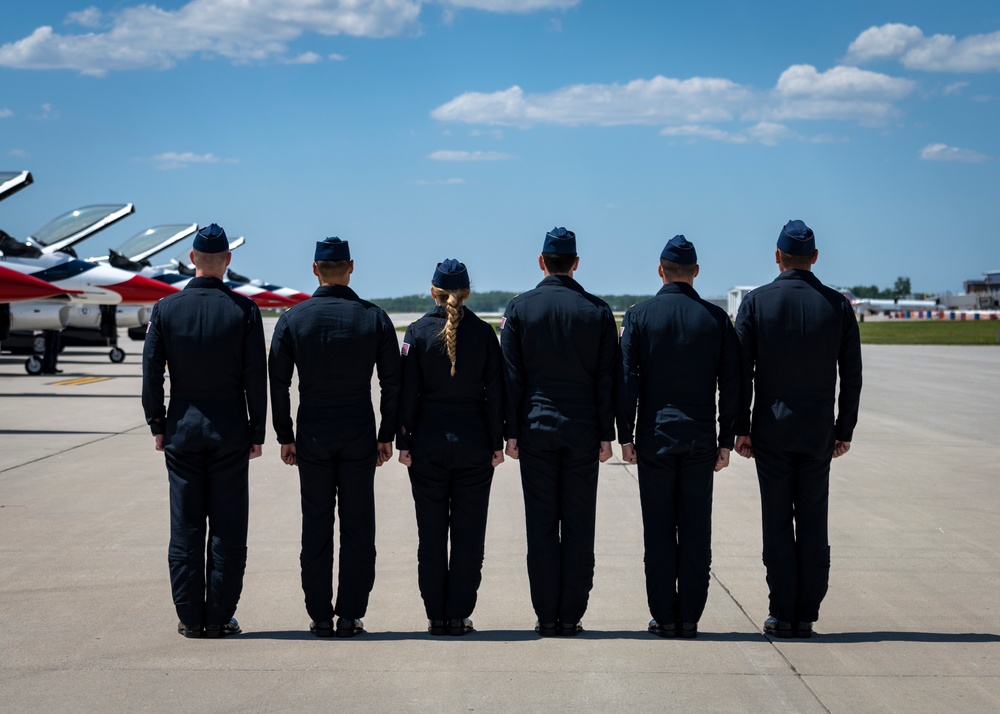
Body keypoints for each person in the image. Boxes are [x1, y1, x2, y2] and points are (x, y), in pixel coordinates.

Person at [733, 219, 862, 639]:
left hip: (771, 429)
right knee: (812, 519)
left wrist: (741, 427)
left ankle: (781, 610)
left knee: (777, 520)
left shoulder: (757, 303)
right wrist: (844, 429)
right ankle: (807, 610)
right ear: (815, 258)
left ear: (777, 257)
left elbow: (740, 374)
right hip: (818, 432)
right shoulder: (838, 305)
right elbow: (852, 375)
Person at [268, 236, 400, 638]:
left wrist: (284, 435)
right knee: (359, 527)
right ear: (351, 267)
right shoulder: (373, 318)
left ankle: (320, 615)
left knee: (316, 526)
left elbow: (277, 381)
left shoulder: (293, 319)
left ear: (314, 270)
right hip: (360, 433)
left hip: (312, 435)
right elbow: (392, 382)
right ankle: (351, 614)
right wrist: (386, 434)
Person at [141, 223, 267, 639]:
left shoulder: (165, 309)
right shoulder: (244, 311)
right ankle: (220, 616)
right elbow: (256, 379)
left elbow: (151, 377)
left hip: (181, 432)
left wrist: (157, 423)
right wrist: (257, 432)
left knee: (186, 527)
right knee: (228, 529)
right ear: (227, 261)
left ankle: (189, 617)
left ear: (192, 259)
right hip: (230, 432)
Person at [617, 235, 739, 639]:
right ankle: (690, 616)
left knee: (659, 529)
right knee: (694, 528)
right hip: (701, 436)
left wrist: (625, 433)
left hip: (655, 434)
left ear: (660, 270)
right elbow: (732, 384)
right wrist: (726, 439)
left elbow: (627, 381)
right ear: (696, 273)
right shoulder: (716, 319)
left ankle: (664, 616)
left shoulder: (639, 316)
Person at [500, 227, 617, 636]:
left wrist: (511, 430)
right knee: (580, 524)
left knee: (542, 525)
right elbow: (607, 379)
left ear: (541, 262)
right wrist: (608, 432)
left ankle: (546, 614)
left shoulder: (519, 309)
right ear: (576, 263)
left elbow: (511, 377)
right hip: (583, 430)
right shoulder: (598, 311)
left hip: (535, 429)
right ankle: (572, 614)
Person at [396, 259, 504, 636]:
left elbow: (406, 394)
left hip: (428, 446)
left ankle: (435, 615)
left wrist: (403, 442)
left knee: (432, 534)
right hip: (474, 444)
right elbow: (495, 395)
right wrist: (496, 443)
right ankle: (458, 614)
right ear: (468, 292)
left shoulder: (416, 332)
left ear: (433, 292)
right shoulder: (485, 334)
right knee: (469, 535)